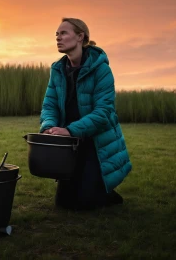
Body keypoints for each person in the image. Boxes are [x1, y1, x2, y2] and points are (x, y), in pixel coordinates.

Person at [39, 18, 132, 210]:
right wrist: (48, 126)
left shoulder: (102, 69)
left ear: (80, 37)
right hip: (70, 143)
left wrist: (71, 130)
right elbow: (50, 104)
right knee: (63, 204)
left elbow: (104, 112)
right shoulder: (57, 70)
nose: (58, 38)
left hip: (94, 141)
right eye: (56, 34)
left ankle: (106, 192)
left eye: (63, 33)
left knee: (87, 204)